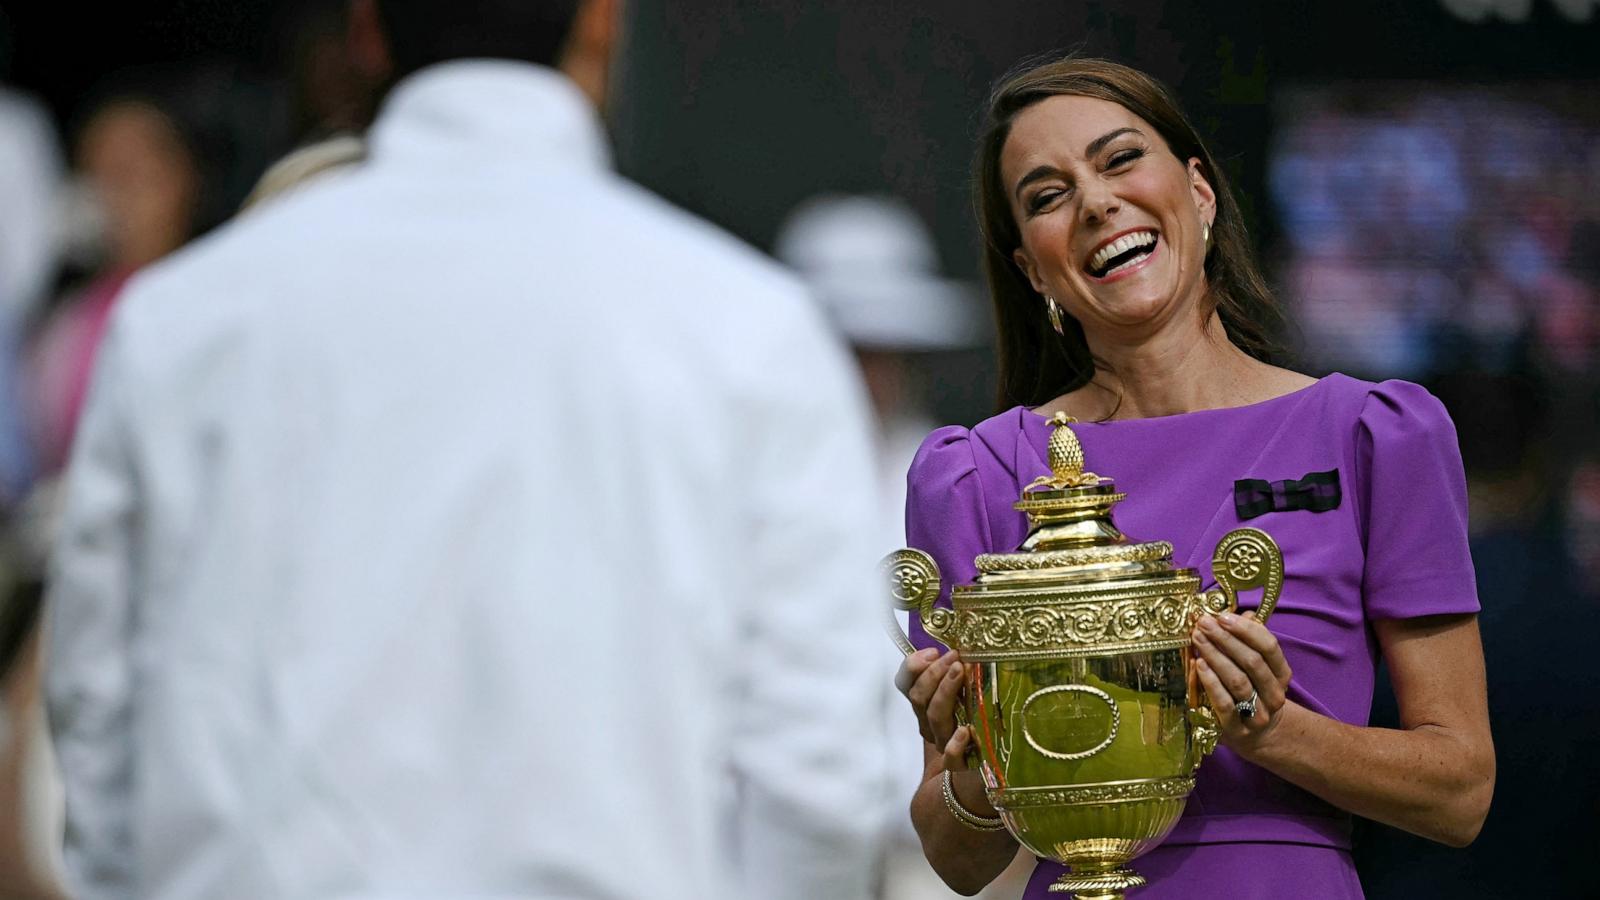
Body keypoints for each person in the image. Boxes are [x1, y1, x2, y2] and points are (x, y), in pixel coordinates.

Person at [43, 1, 889, 898]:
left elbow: (98, 738)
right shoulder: (750, 332)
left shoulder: (178, 326)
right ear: (602, 21)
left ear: (366, 29)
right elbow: (818, 783)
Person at [894, 56, 1494, 899]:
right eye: (1046, 195)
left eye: (1119, 160)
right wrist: (971, 766)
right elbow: (958, 862)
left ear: (1200, 192)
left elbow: (1460, 792)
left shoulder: (1372, 434)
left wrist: (1272, 731)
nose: (1096, 203)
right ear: (1033, 269)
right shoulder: (978, 474)